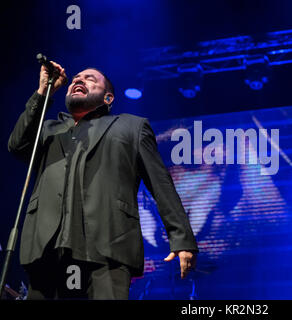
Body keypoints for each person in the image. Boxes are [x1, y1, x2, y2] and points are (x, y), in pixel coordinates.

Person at [8, 61, 198, 300]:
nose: (78, 79)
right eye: (76, 78)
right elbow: (17, 146)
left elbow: (161, 184)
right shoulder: (49, 130)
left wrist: (181, 238)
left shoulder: (131, 127)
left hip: (108, 247)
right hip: (46, 248)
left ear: (108, 98)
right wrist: (44, 91)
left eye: (89, 78)